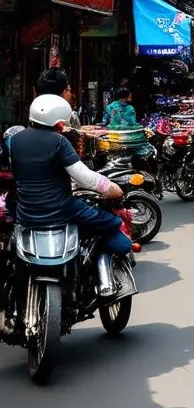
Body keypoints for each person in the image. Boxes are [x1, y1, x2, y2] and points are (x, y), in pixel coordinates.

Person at [9, 96, 132, 292]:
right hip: (62, 210)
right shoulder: (59, 142)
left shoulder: (14, 141)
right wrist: (114, 190)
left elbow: (10, 173)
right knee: (111, 222)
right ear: (59, 124)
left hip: (25, 213)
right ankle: (103, 275)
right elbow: (85, 178)